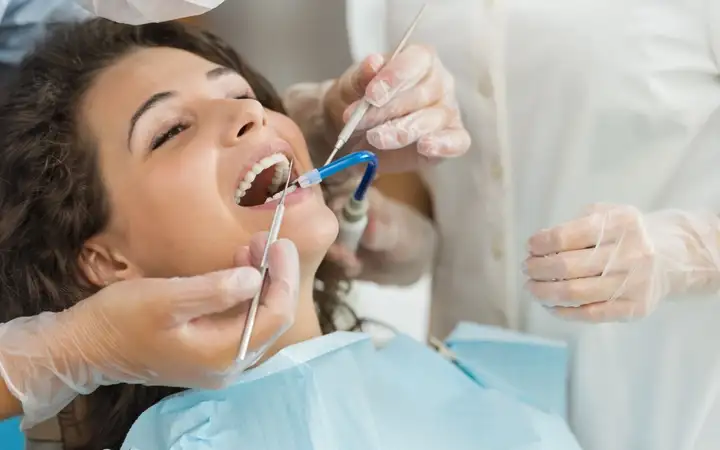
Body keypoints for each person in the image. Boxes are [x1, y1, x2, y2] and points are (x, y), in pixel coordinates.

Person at [0, 18, 579, 450]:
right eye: (170, 130)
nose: (250, 116)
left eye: (240, 95)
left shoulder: (480, 393)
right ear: (104, 262)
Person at [279, 1, 720, 450]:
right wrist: (402, 239)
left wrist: (683, 252)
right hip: (470, 408)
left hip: (666, 403)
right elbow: (425, 189)